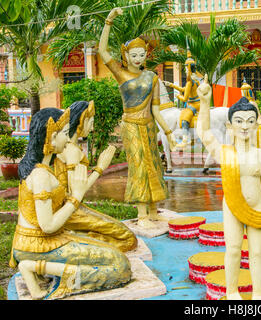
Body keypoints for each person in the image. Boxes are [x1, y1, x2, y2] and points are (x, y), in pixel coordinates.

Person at [10, 108, 131, 300]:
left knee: (116, 254)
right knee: (120, 267)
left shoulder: (40, 168)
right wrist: (76, 197)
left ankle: (42, 267)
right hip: (38, 245)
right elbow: (47, 226)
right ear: (51, 137)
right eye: (65, 134)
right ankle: (34, 267)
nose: (68, 140)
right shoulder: (40, 175)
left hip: (46, 241)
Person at [196, 74, 261, 300]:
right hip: (233, 208)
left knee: (257, 251)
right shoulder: (225, 153)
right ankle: (232, 292)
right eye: (239, 121)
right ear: (230, 125)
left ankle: (258, 293)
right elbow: (205, 133)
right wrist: (204, 102)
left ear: (257, 123)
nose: (245, 126)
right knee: (233, 250)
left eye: (250, 121)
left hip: (257, 210)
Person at [99, 7, 176, 229]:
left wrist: (169, 133)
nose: (138, 58)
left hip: (149, 125)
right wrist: (108, 21)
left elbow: (155, 109)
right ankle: (141, 213)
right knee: (139, 166)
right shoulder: (120, 73)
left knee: (154, 165)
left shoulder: (151, 77)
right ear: (126, 56)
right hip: (131, 124)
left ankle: (153, 212)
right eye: (133, 55)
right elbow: (103, 51)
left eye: (142, 55)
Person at [54, 100, 137, 252]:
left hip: (73, 208)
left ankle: (80, 237)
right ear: (81, 121)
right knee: (127, 239)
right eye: (90, 122)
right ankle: (79, 242)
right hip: (69, 212)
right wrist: (99, 169)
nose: (92, 128)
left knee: (122, 234)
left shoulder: (71, 148)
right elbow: (76, 193)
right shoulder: (71, 151)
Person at [163, 43, 202, 149]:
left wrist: (178, 97)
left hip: (194, 104)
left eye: (185, 67)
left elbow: (184, 98)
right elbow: (184, 90)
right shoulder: (196, 79)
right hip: (198, 103)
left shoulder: (190, 81)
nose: (184, 69)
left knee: (184, 120)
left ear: (188, 68)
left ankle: (186, 140)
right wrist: (171, 85)